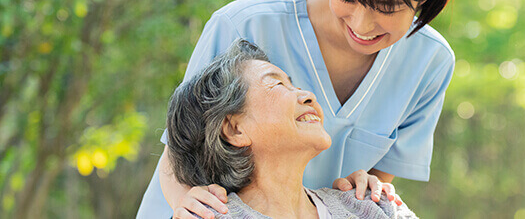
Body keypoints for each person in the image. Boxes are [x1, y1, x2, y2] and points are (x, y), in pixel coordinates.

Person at [136, 0, 458, 217]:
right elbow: (180, 146)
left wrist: (364, 185)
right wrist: (186, 203)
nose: (362, 24)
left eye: (387, 8)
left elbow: (376, 178)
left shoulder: (430, 62)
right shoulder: (245, 24)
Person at [165, 39, 417, 218]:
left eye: (294, 84)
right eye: (276, 85)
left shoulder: (372, 206)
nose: (308, 95)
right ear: (235, 129)